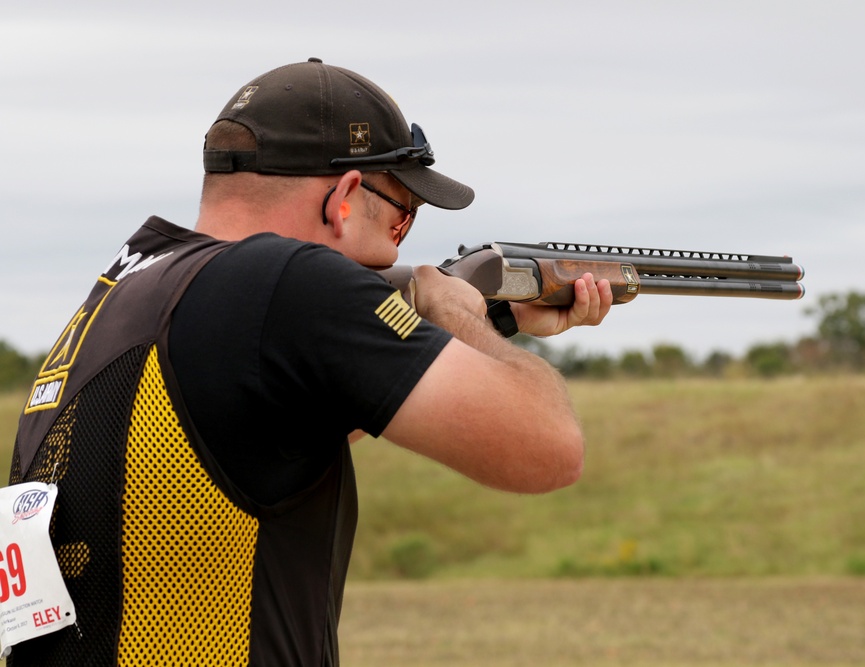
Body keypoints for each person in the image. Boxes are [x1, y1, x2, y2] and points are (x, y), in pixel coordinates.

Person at [8, 58, 612, 666]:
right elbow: (549, 450)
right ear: (345, 198)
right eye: (403, 215)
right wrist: (457, 316)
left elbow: (284, 431)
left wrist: (491, 325)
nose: (401, 238)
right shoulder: (285, 281)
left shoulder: (129, 288)